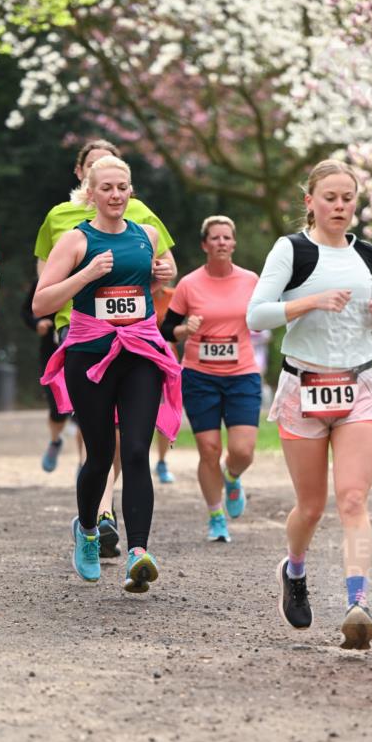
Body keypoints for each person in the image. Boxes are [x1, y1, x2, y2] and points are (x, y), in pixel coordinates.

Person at [247, 159, 372, 650]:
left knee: (352, 498)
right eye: (330, 197)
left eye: (348, 198)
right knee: (310, 506)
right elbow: (257, 314)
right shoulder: (292, 250)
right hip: (303, 387)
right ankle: (295, 569)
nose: (340, 206)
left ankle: (358, 603)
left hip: (357, 387)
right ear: (309, 201)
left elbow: (361, 321)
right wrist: (310, 301)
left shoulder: (368, 254)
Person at [33, 156, 181, 592]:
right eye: (107, 188)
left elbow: (140, 291)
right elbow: (41, 303)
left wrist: (162, 278)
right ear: (91, 193)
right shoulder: (77, 241)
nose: (116, 195)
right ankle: (88, 531)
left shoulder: (147, 236)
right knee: (99, 456)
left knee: (136, 450)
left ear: (130, 191)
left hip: (139, 352)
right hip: (90, 357)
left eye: (123, 187)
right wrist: (85, 275)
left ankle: (139, 551)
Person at [161, 216, 261, 543]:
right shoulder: (189, 284)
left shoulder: (251, 281)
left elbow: (263, 317)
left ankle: (232, 477)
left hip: (242, 374)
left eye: (226, 237)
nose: (221, 242)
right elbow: (166, 331)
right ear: (205, 244)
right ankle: (216, 515)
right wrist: (183, 329)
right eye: (214, 238)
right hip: (199, 376)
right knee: (208, 448)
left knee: (243, 450)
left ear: (233, 244)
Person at [21, 277, 71, 472]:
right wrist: (37, 324)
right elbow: (26, 311)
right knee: (57, 406)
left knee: (87, 408)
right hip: (51, 351)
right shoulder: (46, 278)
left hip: (85, 348)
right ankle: (55, 441)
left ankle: (86, 462)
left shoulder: (92, 271)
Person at [151, 279, 178, 483]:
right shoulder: (139, 294)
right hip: (141, 359)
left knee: (164, 411)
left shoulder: (174, 295)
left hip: (168, 361)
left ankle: (161, 461)